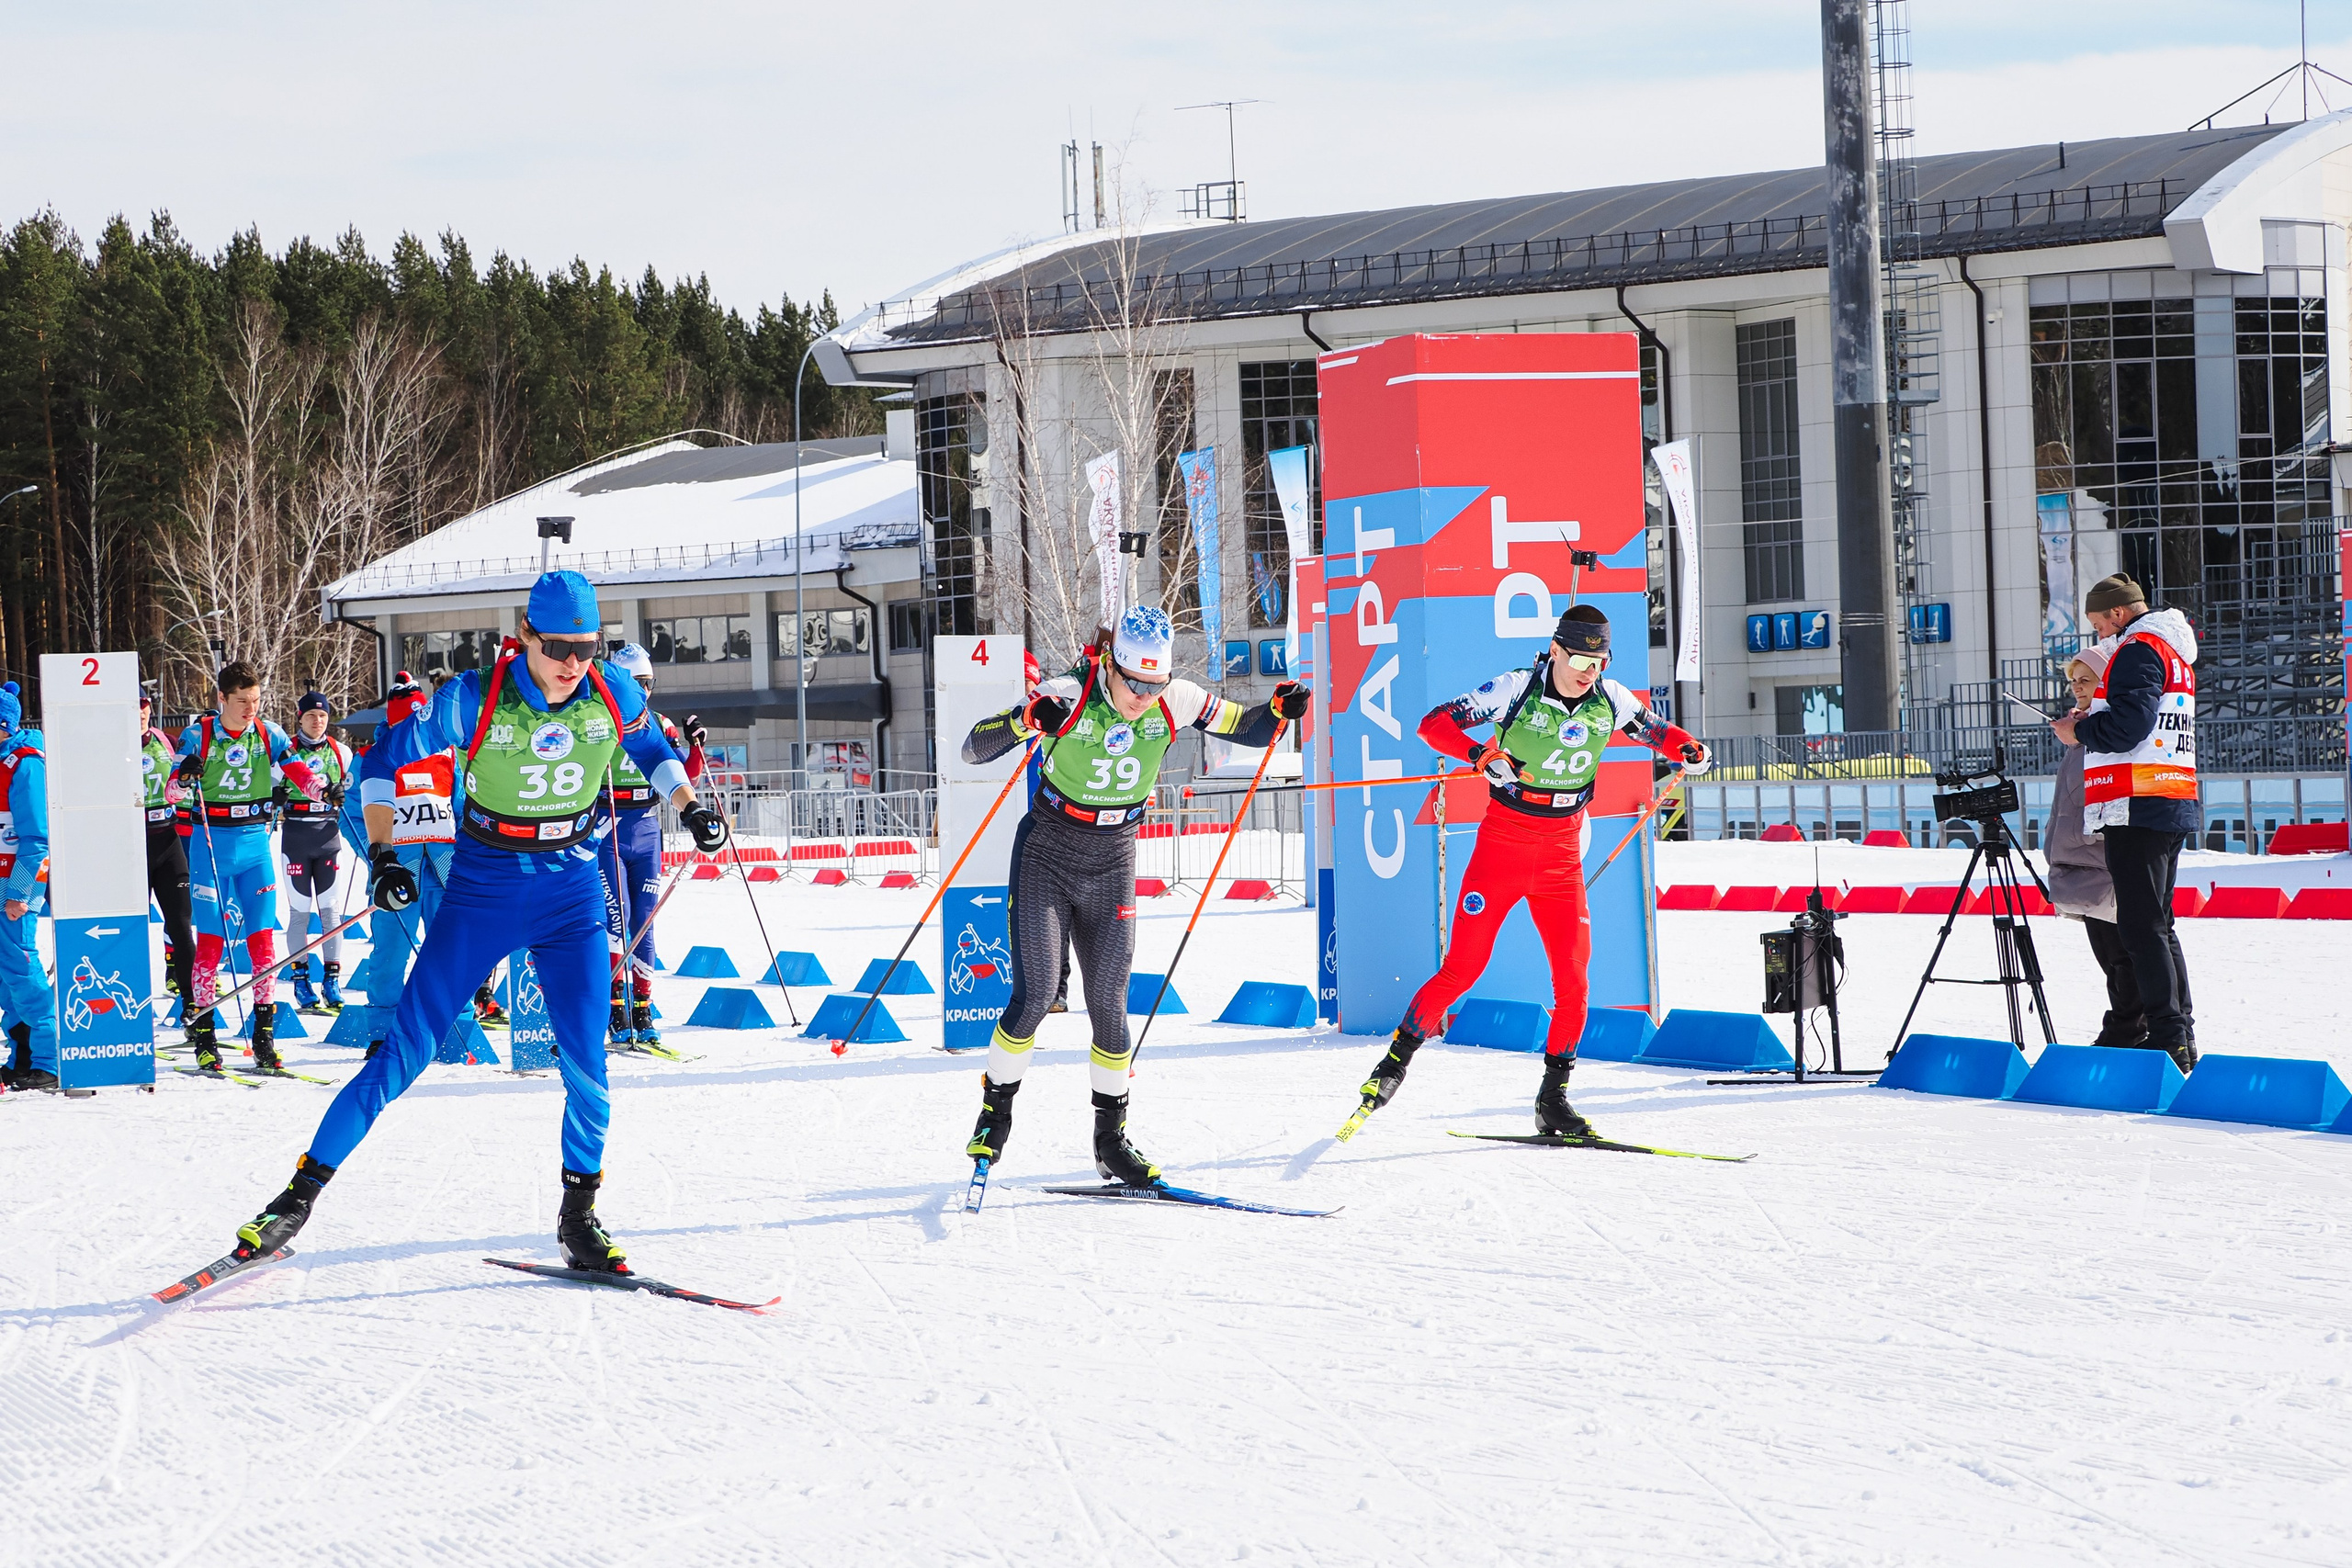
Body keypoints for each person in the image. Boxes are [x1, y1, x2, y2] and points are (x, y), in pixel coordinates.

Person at [225, 571, 731, 1275]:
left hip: (571, 894)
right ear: (526, 635)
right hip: (484, 888)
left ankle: (579, 1216)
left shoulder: (612, 690)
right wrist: (383, 852)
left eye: (586, 647)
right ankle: (295, 1199)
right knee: (402, 1052)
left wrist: (690, 803)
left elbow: (650, 750)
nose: (572, 663)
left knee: (587, 1061)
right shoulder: (474, 698)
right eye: (558, 647)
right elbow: (381, 763)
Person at [957, 604, 1309, 1185]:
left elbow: (1246, 727)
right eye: (1134, 684)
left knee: (1110, 1007)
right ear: (1110, 665)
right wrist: (1026, 720)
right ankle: (995, 1116)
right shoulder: (1067, 694)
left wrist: (1277, 710)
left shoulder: (1176, 700)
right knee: (1037, 994)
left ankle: (1110, 1142)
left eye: (1156, 684)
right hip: (1048, 852)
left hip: (1113, 860)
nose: (1144, 697)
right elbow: (974, 748)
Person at [1346, 604, 1709, 1139]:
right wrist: (1481, 754)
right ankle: (1392, 1065)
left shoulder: (1612, 699)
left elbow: (1662, 735)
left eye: (1600, 661)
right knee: (1463, 969)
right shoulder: (1516, 688)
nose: (1589, 671)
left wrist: (1689, 749)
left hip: (1561, 856)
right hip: (1502, 848)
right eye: (1580, 660)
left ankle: (1552, 1099)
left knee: (1574, 981)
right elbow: (1433, 725)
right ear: (1556, 651)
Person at [2052, 574, 2199, 1073]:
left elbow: (2128, 726)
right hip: (2168, 796)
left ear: (2117, 613)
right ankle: (2179, 1034)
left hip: (2136, 802)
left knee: (2140, 927)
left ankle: (2168, 1038)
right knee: (2158, 923)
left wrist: (2079, 730)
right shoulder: (2173, 651)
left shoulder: (2137, 649)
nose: (2097, 633)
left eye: (2098, 622)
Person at [174, 662, 322, 1075]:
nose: (250, 708)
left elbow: (299, 773)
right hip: (210, 848)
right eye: (241, 701)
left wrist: (322, 790)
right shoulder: (198, 735)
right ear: (222, 698)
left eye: (255, 700)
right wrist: (185, 777)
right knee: (210, 943)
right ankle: (205, 1037)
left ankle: (263, 1038)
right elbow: (171, 792)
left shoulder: (268, 733)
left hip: (255, 846)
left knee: (263, 944)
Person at [2044, 640, 2154, 1052]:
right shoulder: (2083, 731)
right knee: (2109, 957)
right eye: (2073, 680)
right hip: (2082, 863)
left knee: (2124, 956)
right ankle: (2124, 1026)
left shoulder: (2108, 732)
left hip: (2106, 861)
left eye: (2086, 679)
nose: (2077, 686)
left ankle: (2128, 1029)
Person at [598, 642, 706, 1046]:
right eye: (634, 682)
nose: (641, 691)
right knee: (617, 917)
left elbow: (684, 775)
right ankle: (615, 1006)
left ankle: (642, 1007)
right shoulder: (601, 720)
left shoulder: (659, 724)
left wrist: (695, 745)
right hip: (608, 826)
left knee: (645, 919)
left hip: (645, 829)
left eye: (647, 682)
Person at [281, 692, 356, 1013]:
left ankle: (331, 980)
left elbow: (351, 790)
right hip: (296, 838)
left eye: (323, 715)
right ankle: (301, 981)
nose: (317, 721)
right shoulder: (286, 752)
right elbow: (270, 787)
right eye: (311, 715)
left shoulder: (341, 752)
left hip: (327, 837)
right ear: (300, 718)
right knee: (299, 912)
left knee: (330, 912)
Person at [0, 682, 58, 1091]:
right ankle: (21, 1055)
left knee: (21, 968)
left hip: (17, 883)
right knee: (5, 977)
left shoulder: (25, 763)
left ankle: (49, 1058)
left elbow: (37, 838)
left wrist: (19, 893)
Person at [138, 686, 197, 1010]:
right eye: (133, 706)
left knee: (181, 923)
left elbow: (184, 784)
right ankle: (129, 1008)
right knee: (131, 927)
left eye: (143, 705)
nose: (140, 712)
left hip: (167, 840)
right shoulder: (110, 746)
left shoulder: (166, 741)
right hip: (131, 848)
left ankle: (192, 1003)